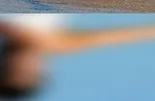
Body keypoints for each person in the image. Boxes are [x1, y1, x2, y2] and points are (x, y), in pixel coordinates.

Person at [0, 15, 155, 99]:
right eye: (27, 73)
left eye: (11, 71)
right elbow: (116, 36)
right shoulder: (56, 43)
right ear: (42, 70)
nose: (20, 65)